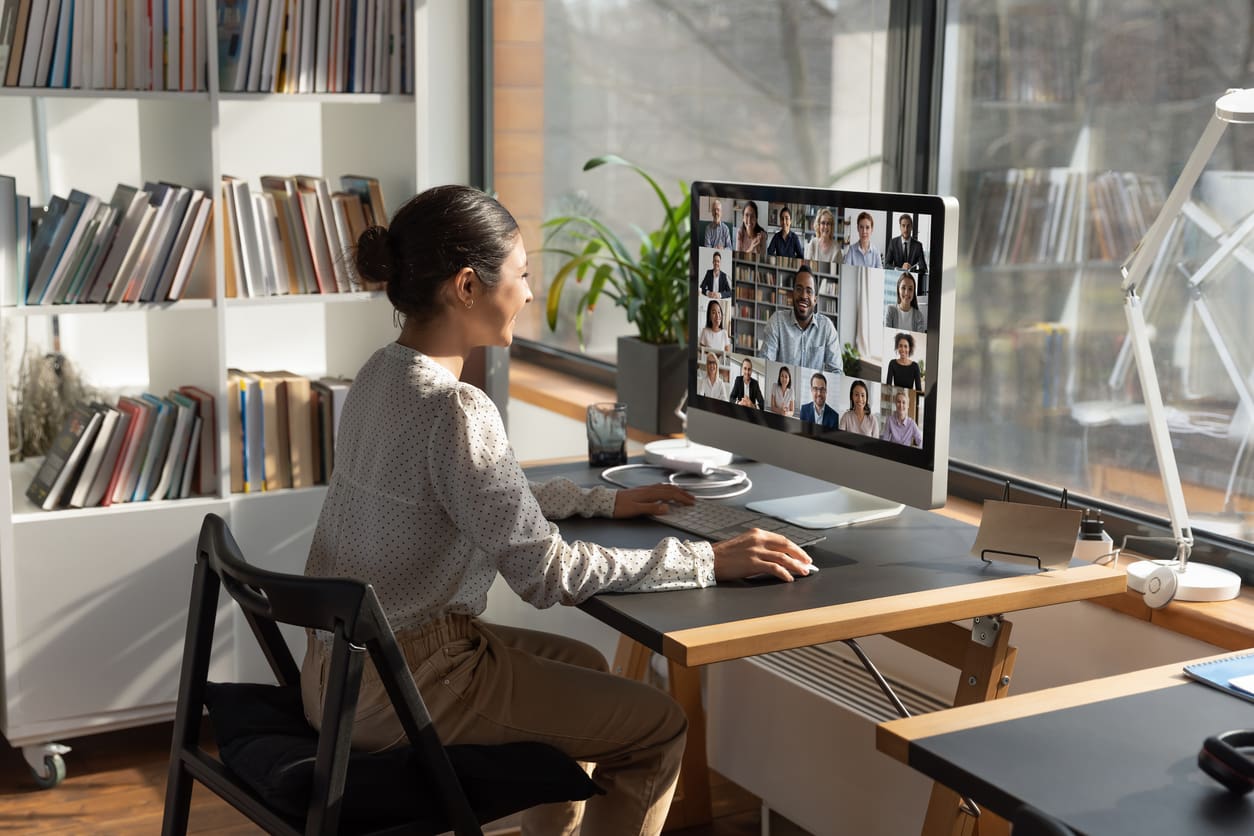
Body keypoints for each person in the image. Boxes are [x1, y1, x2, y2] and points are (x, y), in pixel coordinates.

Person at [299, 185, 812, 836]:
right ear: (466, 286)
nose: (530, 293)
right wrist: (707, 559)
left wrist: (601, 501)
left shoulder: (380, 375)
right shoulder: (457, 410)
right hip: (408, 684)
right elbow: (546, 575)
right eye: (521, 276)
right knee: (657, 726)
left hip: (338, 675)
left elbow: (464, 499)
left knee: (587, 668)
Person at [761, 267, 840, 371]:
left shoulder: (826, 327)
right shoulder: (777, 321)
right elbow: (766, 362)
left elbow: (836, 371)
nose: (803, 295)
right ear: (792, 294)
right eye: (799, 289)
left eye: (809, 291)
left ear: (815, 299)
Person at [885, 214, 927, 279]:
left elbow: (923, 269)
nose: (906, 229)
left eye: (908, 226)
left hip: (912, 279)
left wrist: (912, 270)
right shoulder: (893, 242)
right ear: (900, 227)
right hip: (896, 278)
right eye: (903, 226)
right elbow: (886, 265)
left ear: (911, 227)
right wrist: (898, 269)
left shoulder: (918, 246)